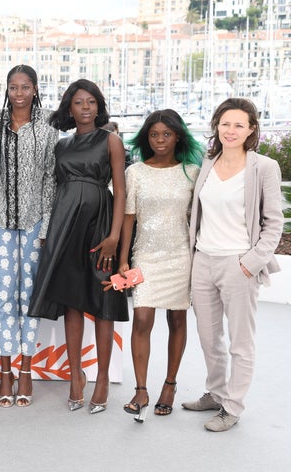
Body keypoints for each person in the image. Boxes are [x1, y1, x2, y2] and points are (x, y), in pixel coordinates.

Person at [182, 98, 283, 432]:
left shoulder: (263, 168)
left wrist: (251, 262)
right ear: (217, 126)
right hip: (204, 261)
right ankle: (216, 393)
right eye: (226, 123)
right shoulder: (207, 164)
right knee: (209, 338)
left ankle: (233, 406)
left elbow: (274, 223)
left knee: (240, 341)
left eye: (239, 125)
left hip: (238, 264)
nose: (231, 130)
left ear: (251, 129)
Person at [28, 79, 128, 414]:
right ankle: (75, 376)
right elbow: (54, 189)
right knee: (72, 302)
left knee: (102, 302)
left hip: (100, 225)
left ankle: (101, 379)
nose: (85, 108)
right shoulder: (62, 145)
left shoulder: (111, 141)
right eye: (78, 103)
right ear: (69, 109)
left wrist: (114, 236)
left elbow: (121, 191)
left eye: (91, 102)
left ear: (98, 106)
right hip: (64, 225)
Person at [118, 109, 204, 422]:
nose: (160, 140)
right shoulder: (136, 172)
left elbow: (196, 219)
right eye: (154, 135)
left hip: (180, 254)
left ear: (178, 136)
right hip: (146, 255)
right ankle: (141, 390)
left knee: (177, 320)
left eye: (166, 134)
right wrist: (124, 259)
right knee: (141, 319)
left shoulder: (192, 172)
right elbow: (129, 216)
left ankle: (169, 385)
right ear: (146, 138)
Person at [0, 65, 58, 408]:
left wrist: (44, 228)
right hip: (0, 221)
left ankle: (27, 368)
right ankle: (5, 370)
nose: (19, 93)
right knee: (4, 299)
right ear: (7, 89)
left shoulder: (48, 125)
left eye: (25, 87)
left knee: (29, 296)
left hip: (33, 224)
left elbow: (49, 179)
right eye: (13, 87)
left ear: (35, 88)